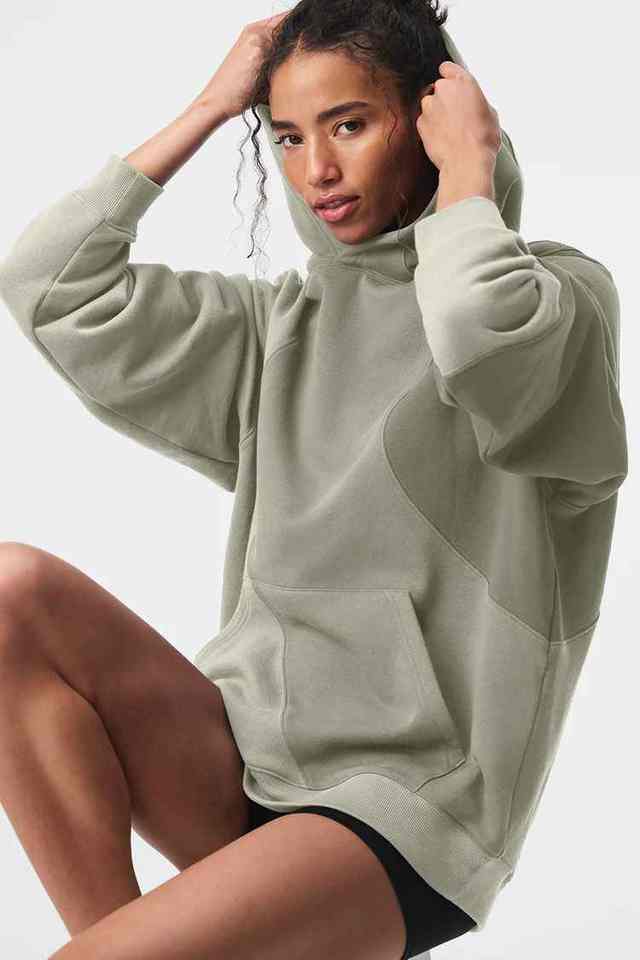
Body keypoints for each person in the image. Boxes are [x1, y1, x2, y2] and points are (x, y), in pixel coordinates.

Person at [0, 2, 628, 958]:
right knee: (10, 594)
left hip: (407, 809)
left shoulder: (556, 306)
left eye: (349, 124)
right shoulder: (276, 332)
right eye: (289, 136)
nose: (316, 170)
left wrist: (470, 177)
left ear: (430, 119)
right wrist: (211, 107)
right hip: (241, 758)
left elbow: (475, 331)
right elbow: (49, 285)